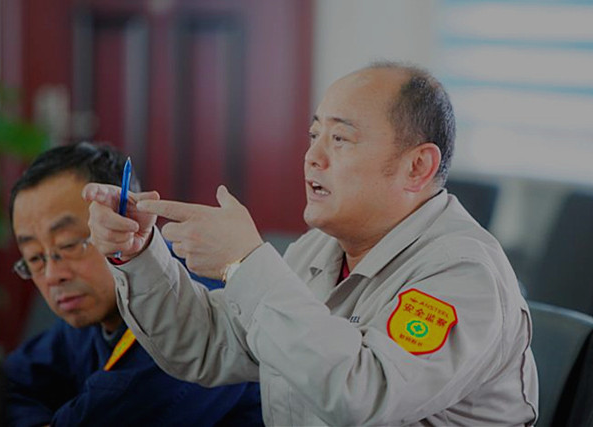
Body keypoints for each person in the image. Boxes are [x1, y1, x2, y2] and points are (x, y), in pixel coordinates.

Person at [84, 62, 539, 425]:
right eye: (314, 135)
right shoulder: (318, 249)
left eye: (340, 138)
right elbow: (205, 344)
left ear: (417, 166)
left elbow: (363, 394)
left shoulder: (464, 272)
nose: (312, 157)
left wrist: (245, 263)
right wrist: (140, 251)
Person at [4, 142, 263, 427]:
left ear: (121, 221)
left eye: (68, 245)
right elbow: (9, 383)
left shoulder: (193, 315)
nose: (53, 275)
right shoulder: (87, 314)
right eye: (35, 257)